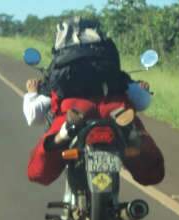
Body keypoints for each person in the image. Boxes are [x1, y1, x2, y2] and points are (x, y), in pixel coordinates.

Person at [23, 17, 165, 187]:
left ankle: (64, 133)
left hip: (76, 111)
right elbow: (142, 102)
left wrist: (31, 94)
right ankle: (128, 131)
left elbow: (33, 117)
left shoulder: (57, 72)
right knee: (136, 131)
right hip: (114, 108)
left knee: (41, 160)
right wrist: (142, 89)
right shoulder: (112, 67)